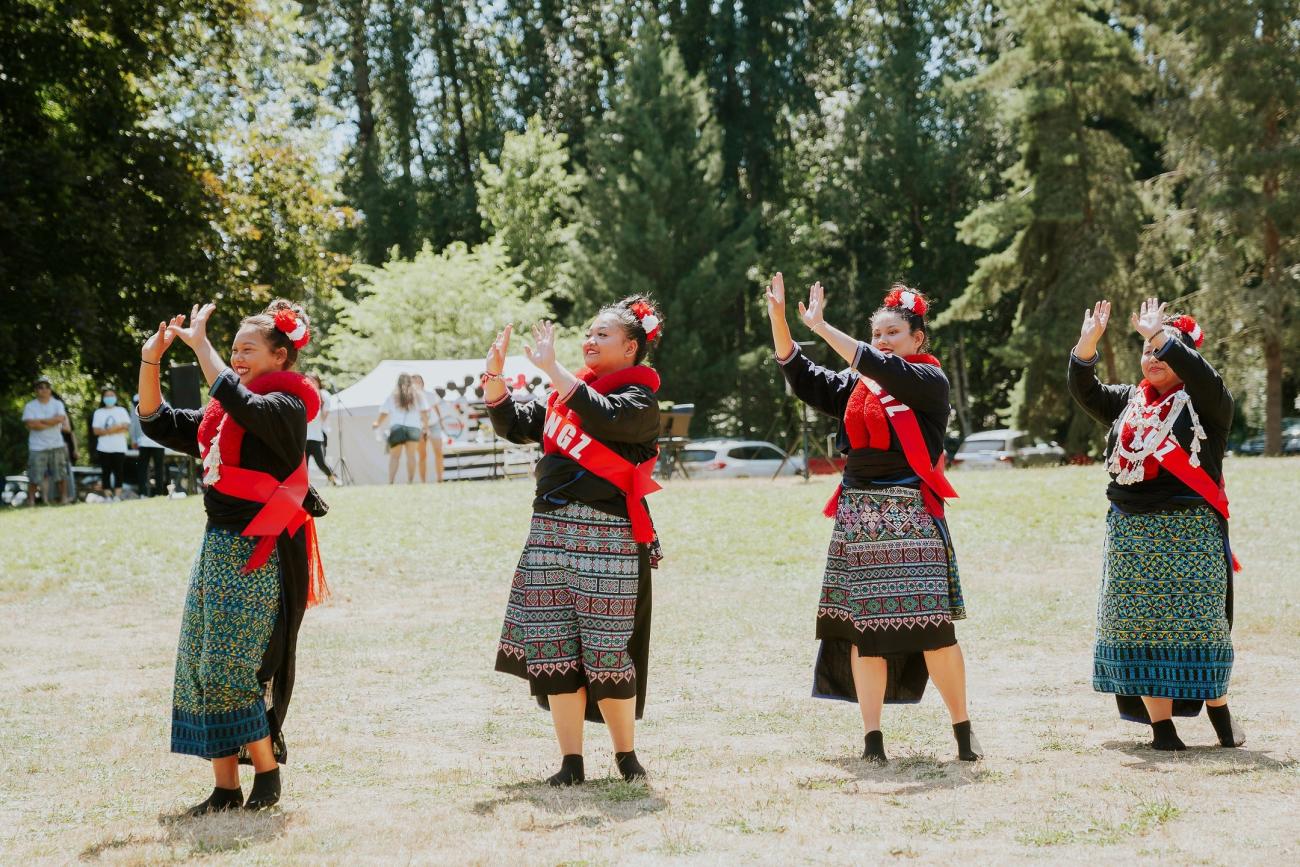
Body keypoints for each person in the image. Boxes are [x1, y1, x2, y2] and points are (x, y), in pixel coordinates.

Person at [766, 274, 980, 764]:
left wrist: (821, 328)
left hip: (910, 515)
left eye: (892, 333)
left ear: (917, 339)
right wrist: (781, 322)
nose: (882, 341)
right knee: (866, 633)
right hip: (859, 514)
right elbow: (801, 374)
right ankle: (872, 740)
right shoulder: (855, 387)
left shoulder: (928, 380)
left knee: (934, 630)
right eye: (877, 333)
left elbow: (873, 362)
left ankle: (964, 732)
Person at [137, 298, 330, 815]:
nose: (238, 357)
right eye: (234, 349)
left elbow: (242, 401)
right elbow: (158, 421)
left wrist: (202, 346)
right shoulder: (223, 414)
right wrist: (149, 360)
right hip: (217, 545)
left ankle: (266, 775)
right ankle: (224, 789)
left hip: (260, 551)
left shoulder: (286, 408)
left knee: (230, 666)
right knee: (201, 666)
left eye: (248, 349)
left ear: (282, 356)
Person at [486, 297, 664, 786]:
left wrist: (554, 369)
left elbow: (606, 416)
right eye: (589, 331)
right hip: (548, 531)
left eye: (602, 334)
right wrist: (496, 378)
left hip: (608, 535)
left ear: (631, 347)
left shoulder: (641, 399)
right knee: (554, 645)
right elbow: (515, 424)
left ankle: (626, 754)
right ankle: (571, 761)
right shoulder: (565, 397)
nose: (590, 339)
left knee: (608, 648)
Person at [1068, 298, 1243, 751]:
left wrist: (1159, 335)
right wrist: (1086, 347)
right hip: (1131, 532)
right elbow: (1086, 391)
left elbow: (1202, 374)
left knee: (1202, 628)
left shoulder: (1208, 403)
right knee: (1139, 628)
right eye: (1145, 350)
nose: (1152, 357)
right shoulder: (1129, 401)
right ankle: (1162, 729)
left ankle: (1220, 714)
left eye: (1160, 349)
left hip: (1190, 531)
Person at [22, 375, 70, 506]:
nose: (43, 390)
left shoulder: (58, 404)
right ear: (36, 390)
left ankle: (64, 499)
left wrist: (40, 422)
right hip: (37, 447)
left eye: (46, 387)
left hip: (56, 444)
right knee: (34, 476)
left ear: (50, 389)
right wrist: (51, 422)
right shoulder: (30, 406)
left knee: (61, 474)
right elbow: (31, 425)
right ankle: (31, 501)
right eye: (40, 387)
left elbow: (60, 419)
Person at [372, 373, 427, 484]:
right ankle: (410, 481)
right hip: (414, 428)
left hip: (397, 428)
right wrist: (425, 427)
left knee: (394, 457)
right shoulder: (419, 395)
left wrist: (377, 422)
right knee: (411, 456)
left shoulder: (393, 395)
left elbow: (384, 412)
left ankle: (391, 481)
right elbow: (424, 412)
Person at [92, 386, 132, 500]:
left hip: (119, 447)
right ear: (103, 398)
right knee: (106, 472)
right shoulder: (99, 412)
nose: (109, 398)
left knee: (119, 471)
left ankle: (117, 496)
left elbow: (126, 427)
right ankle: (108, 496)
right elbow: (96, 431)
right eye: (107, 396)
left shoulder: (121, 410)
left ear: (115, 397)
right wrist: (116, 428)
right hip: (103, 448)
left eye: (112, 395)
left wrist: (106, 431)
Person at [411, 373, 447, 483]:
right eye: (414, 382)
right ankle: (423, 482)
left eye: (418, 381)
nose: (417, 384)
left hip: (434, 425)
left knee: (439, 452)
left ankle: (440, 480)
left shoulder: (431, 395)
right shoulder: (410, 398)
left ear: (422, 382)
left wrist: (441, 422)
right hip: (419, 427)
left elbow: (436, 408)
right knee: (422, 455)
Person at [131, 393, 167, 496]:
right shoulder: (136, 399)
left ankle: (159, 493)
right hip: (143, 441)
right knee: (143, 468)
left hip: (159, 442)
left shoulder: (162, 399)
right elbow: (134, 420)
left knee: (159, 468)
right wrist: (134, 439)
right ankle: (142, 493)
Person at [304, 373, 337, 485]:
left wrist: (317, 396)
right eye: (308, 380)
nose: (311, 382)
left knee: (321, 463)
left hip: (317, 436)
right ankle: (305, 486)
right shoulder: (304, 393)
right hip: (304, 437)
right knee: (304, 465)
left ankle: (334, 479)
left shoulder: (324, 395)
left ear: (318, 381)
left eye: (313, 380)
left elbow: (323, 417)